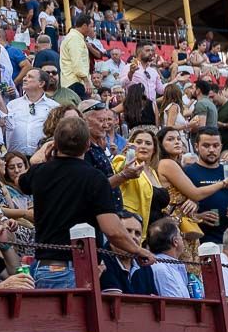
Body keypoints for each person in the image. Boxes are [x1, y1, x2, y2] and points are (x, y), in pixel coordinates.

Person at [20, 116, 154, 288]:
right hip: (74, 268)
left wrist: (44, 154)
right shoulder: (95, 178)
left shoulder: (39, 172)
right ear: (87, 146)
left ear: (55, 144)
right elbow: (112, 230)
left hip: (43, 265)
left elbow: (21, 180)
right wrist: (138, 249)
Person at [182, 128, 228, 245]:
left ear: (221, 147)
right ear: (196, 147)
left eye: (215, 145)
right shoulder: (186, 172)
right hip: (199, 241)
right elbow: (178, 212)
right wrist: (198, 217)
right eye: (206, 146)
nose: (211, 150)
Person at [129, 218, 198, 298]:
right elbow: (176, 305)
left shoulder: (173, 266)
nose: (183, 239)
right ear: (175, 242)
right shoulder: (161, 268)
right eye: (181, 235)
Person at [60, 14, 93, 98]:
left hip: (71, 81)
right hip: (75, 82)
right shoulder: (75, 38)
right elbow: (77, 61)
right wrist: (86, 80)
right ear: (85, 26)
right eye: (91, 26)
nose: (92, 29)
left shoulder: (73, 37)